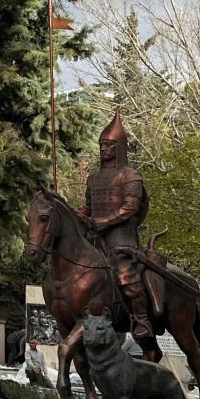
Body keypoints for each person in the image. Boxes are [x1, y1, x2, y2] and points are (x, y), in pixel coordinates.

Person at [76, 113, 153, 347]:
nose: (103, 149)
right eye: (101, 145)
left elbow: (131, 207)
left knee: (124, 273)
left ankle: (141, 320)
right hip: (95, 239)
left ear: (119, 148)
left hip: (121, 240)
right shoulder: (93, 178)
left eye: (108, 145)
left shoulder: (130, 175)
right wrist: (74, 213)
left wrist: (106, 222)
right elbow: (88, 207)